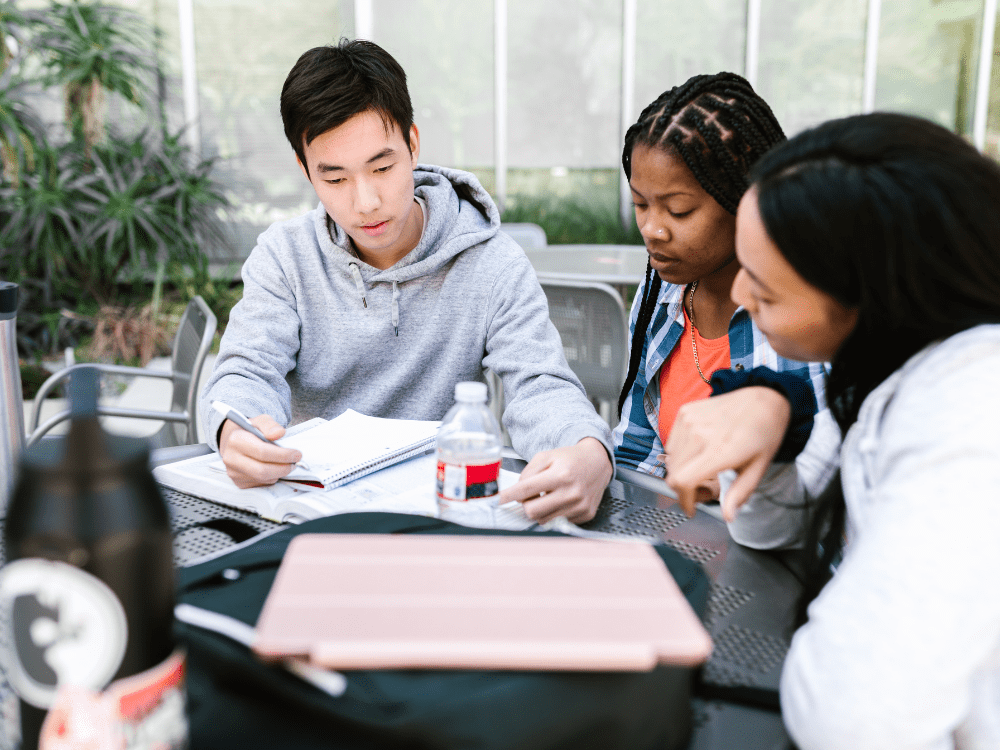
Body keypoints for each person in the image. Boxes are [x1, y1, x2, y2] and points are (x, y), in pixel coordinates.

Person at [665, 112, 1000, 750]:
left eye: (763, 285)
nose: (739, 291)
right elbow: (770, 527)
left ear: (871, 294)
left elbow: (852, 715)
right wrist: (776, 419)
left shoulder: (970, 414)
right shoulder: (886, 371)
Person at [200, 39, 613, 524]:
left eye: (383, 167)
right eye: (335, 179)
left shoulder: (490, 262)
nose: (367, 201)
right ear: (305, 169)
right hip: (311, 513)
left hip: (437, 513)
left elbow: (540, 385)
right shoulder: (285, 256)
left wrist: (589, 453)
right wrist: (236, 429)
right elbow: (245, 372)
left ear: (413, 144)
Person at [612, 72, 826, 488]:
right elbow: (637, 452)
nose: (652, 229)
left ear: (745, 199)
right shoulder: (661, 291)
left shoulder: (803, 312)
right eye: (641, 204)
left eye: (678, 211)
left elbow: (818, 483)